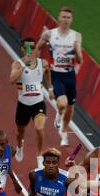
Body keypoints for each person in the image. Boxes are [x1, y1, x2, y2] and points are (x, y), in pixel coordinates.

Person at [36, 6, 83, 147]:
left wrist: (77, 50)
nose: (66, 20)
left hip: (70, 75)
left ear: (71, 20)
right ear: (59, 18)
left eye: (68, 18)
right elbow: (37, 47)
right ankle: (59, 112)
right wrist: (37, 64)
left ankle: (63, 130)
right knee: (62, 103)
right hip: (56, 74)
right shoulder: (49, 34)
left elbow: (80, 60)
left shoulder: (76, 36)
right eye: (63, 17)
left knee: (69, 108)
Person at [9, 37, 54, 169]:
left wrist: (50, 88)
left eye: (32, 47)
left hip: (38, 104)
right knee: (20, 132)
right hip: (23, 105)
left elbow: (48, 72)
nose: (30, 50)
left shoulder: (42, 63)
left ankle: (39, 155)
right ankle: (20, 145)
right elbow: (11, 80)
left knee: (39, 128)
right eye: (27, 48)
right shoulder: (17, 64)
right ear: (22, 49)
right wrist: (24, 65)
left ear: (35, 49)